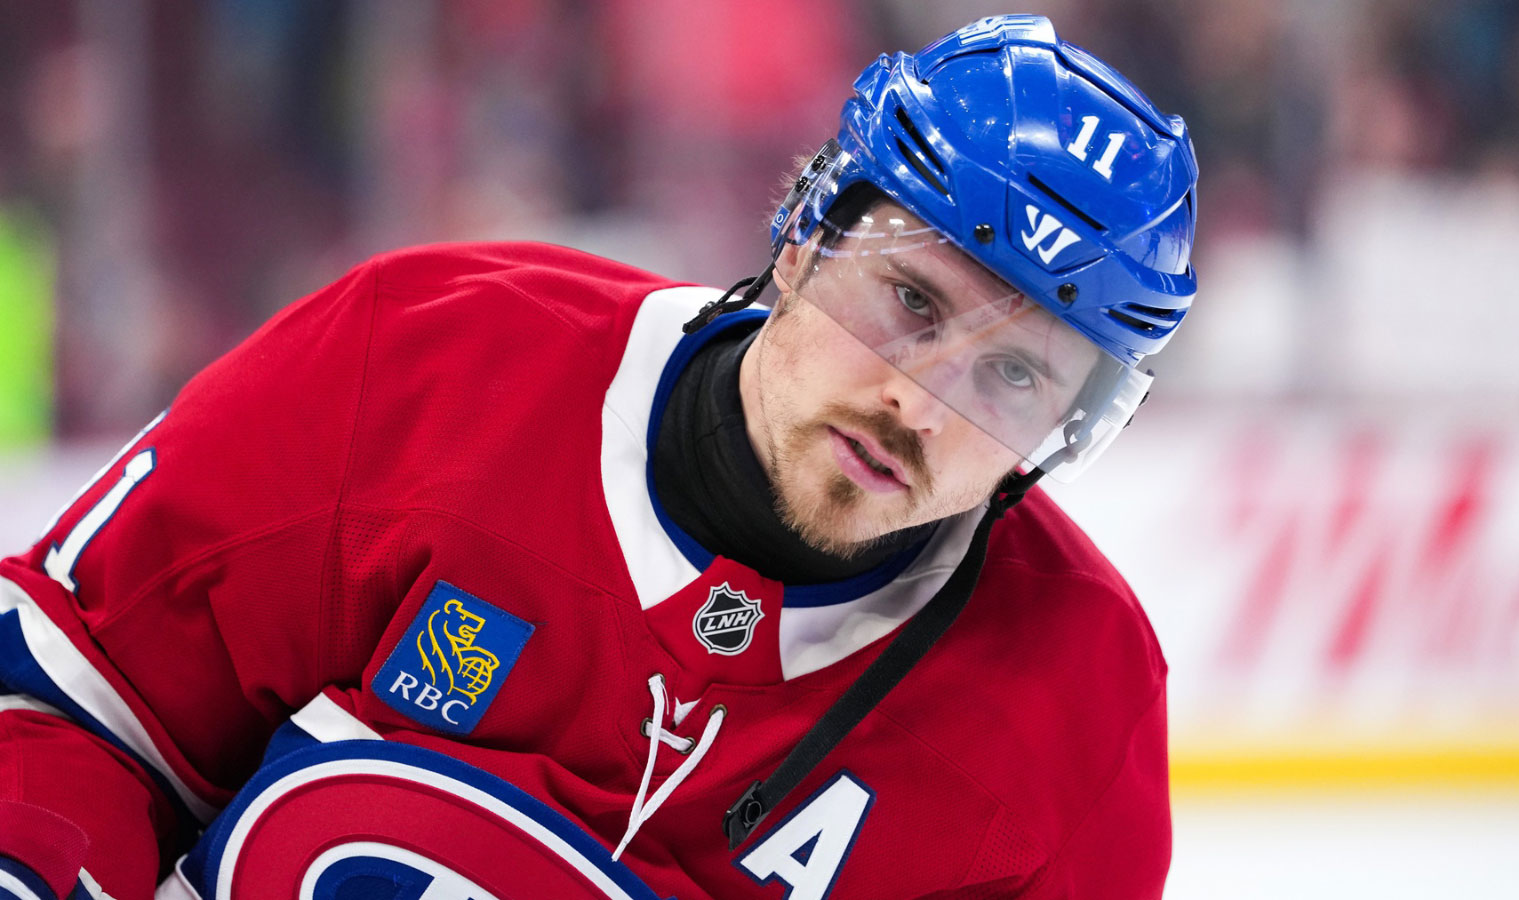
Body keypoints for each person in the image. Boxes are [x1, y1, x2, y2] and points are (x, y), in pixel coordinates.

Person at [0, 14, 1196, 900]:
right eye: (911, 303)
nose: (918, 406)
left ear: (1065, 433)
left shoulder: (1075, 714)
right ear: (800, 240)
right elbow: (70, 704)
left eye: (1016, 375)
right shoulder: (424, 364)